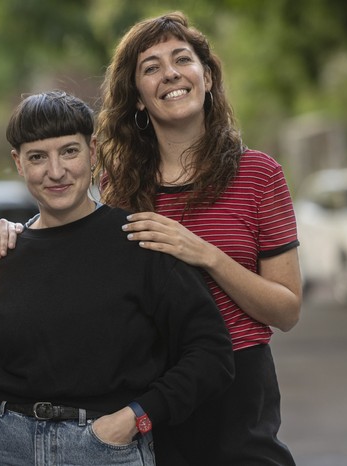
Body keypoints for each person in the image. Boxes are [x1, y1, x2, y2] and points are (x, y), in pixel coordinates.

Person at [0, 90, 234, 466]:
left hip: (109, 447)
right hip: (11, 447)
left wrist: (134, 418)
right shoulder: (0, 254)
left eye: (69, 151)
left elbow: (211, 353)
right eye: (37, 157)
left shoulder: (140, 242)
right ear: (18, 163)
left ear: (93, 150)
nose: (55, 171)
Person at [95, 11, 302, 465]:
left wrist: (205, 254)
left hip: (240, 383)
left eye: (182, 59)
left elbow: (286, 310)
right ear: (137, 99)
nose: (169, 73)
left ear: (206, 77)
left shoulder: (259, 174)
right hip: (154, 387)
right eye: (150, 67)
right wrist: (8, 231)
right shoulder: (119, 187)